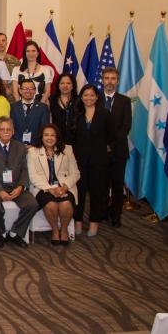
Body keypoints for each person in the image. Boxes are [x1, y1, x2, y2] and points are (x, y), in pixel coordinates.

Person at [0, 117, 37, 249]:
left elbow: (24, 169)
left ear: (13, 131)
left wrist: (21, 187)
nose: (5, 132)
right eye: (2, 129)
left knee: (32, 204)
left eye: (8, 129)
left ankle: (16, 233)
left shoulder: (21, 147)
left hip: (15, 186)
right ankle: (0, 234)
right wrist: (0, 191)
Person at [28, 124, 80, 246]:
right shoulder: (33, 152)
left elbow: (76, 173)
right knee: (50, 204)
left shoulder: (67, 150)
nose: (49, 138)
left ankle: (64, 229)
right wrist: (50, 189)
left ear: (57, 137)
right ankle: (55, 230)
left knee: (66, 204)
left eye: (52, 135)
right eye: (46, 135)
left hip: (64, 187)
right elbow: (32, 176)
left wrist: (64, 187)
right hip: (43, 188)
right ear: (41, 137)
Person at [73, 84, 112, 237]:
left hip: (99, 161)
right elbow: (72, 137)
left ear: (97, 97)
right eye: (85, 95)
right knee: (79, 192)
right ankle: (77, 221)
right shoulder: (76, 113)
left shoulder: (105, 114)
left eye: (91, 95)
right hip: (79, 161)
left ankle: (94, 222)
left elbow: (111, 136)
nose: (88, 98)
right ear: (81, 97)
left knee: (97, 192)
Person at [101, 67, 132, 228]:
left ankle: (116, 215)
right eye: (107, 78)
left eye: (113, 79)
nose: (109, 82)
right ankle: (103, 211)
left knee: (117, 184)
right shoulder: (95, 99)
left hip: (118, 151)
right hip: (99, 151)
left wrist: (110, 144)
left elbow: (126, 126)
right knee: (102, 184)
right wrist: (102, 144)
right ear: (102, 80)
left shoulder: (125, 101)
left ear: (117, 81)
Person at [10, 79, 51, 147]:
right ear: (20, 91)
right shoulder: (13, 107)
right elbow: (11, 128)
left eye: (31, 88)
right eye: (25, 88)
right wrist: (21, 144)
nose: (28, 91)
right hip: (17, 146)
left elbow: (45, 129)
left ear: (35, 91)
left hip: (37, 146)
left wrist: (34, 144)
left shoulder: (43, 107)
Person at [50, 73, 78, 145]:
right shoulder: (51, 100)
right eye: (62, 83)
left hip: (76, 141)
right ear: (58, 86)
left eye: (68, 83)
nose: (65, 86)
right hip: (56, 140)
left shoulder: (79, 101)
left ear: (73, 86)